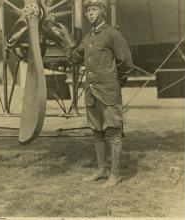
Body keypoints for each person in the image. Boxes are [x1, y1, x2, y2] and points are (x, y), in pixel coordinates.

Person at [63, 0, 133, 188]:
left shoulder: (113, 35)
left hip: (108, 92)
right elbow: (75, 57)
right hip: (91, 92)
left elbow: (126, 63)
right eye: (88, 10)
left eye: (94, 9)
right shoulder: (88, 38)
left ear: (103, 11)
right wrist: (66, 39)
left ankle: (115, 174)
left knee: (113, 130)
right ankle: (102, 170)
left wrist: (116, 84)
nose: (91, 13)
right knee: (97, 132)